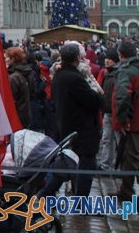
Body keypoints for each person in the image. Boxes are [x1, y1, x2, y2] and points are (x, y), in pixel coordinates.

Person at [41, 43, 104, 198]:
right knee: (86, 167)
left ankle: (46, 193)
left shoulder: (59, 76)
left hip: (67, 125)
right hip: (81, 129)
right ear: (78, 58)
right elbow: (94, 100)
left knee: (66, 163)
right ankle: (80, 201)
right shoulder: (74, 78)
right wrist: (97, 92)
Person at [113, 40, 139, 200]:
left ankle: (127, 191)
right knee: (128, 157)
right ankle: (126, 190)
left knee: (133, 157)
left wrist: (123, 120)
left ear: (120, 55)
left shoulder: (127, 71)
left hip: (133, 121)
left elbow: (123, 96)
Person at [98, 49, 120, 170]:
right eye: (106, 58)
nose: (106, 60)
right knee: (107, 139)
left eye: (109, 58)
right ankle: (105, 164)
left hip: (116, 112)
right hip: (108, 112)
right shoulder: (106, 74)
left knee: (119, 141)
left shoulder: (117, 74)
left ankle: (122, 166)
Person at [5, 47, 34, 130]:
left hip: (16, 118)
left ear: (13, 59)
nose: (5, 60)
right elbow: (33, 93)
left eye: (7, 57)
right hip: (26, 115)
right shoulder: (29, 73)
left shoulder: (13, 77)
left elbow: (11, 99)